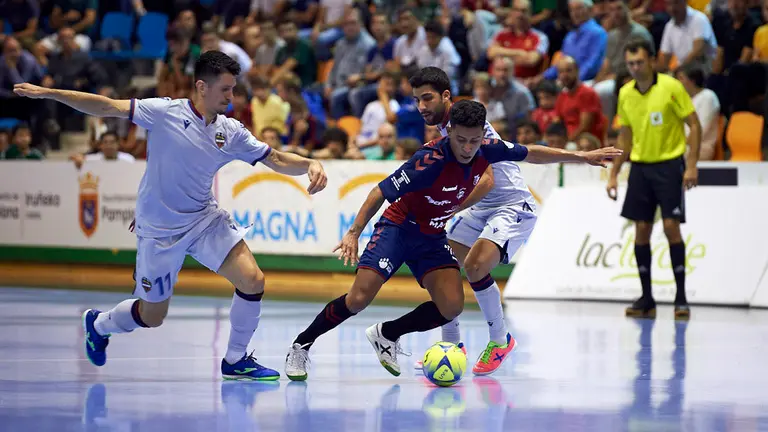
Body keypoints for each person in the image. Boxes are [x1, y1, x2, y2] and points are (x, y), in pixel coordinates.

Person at [12, 51, 328, 380]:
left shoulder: (230, 132)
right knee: (152, 316)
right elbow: (108, 106)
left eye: (233, 90)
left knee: (252, 279)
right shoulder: (164, 112)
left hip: (204, 221)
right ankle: (99, 324)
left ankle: (235, 360)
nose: (231, 98)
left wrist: (309, 164)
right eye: (225, 90)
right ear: (202, 87)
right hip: (160, 230)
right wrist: (50, 93)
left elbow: (274, 157)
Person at [283, 100, 622, 380]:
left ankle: (388, 334)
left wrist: (583, 157)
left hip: (431, 235)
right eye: (461, 140)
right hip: (399, 228)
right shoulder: (428, 160)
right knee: (358, 299)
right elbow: (379, 191)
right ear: (451, 134)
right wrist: (354, 232)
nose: (468, 148)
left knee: (451, 307)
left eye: (475, 141)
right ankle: (301, 346)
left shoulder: (486, 149)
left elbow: (531, 153)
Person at [606, 38, 701, 320]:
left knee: (671, 227)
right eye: (630, 63)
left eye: (639, 62)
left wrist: (692, 165)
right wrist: (613, 171)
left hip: (670, 165)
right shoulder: (625, 93)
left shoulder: (671, 87)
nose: (635, 68)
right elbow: (626, 135)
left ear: (651, 61)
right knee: (641, 231)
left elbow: (694, 124)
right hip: (640, 168)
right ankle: (647, 298)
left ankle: (681, 298)